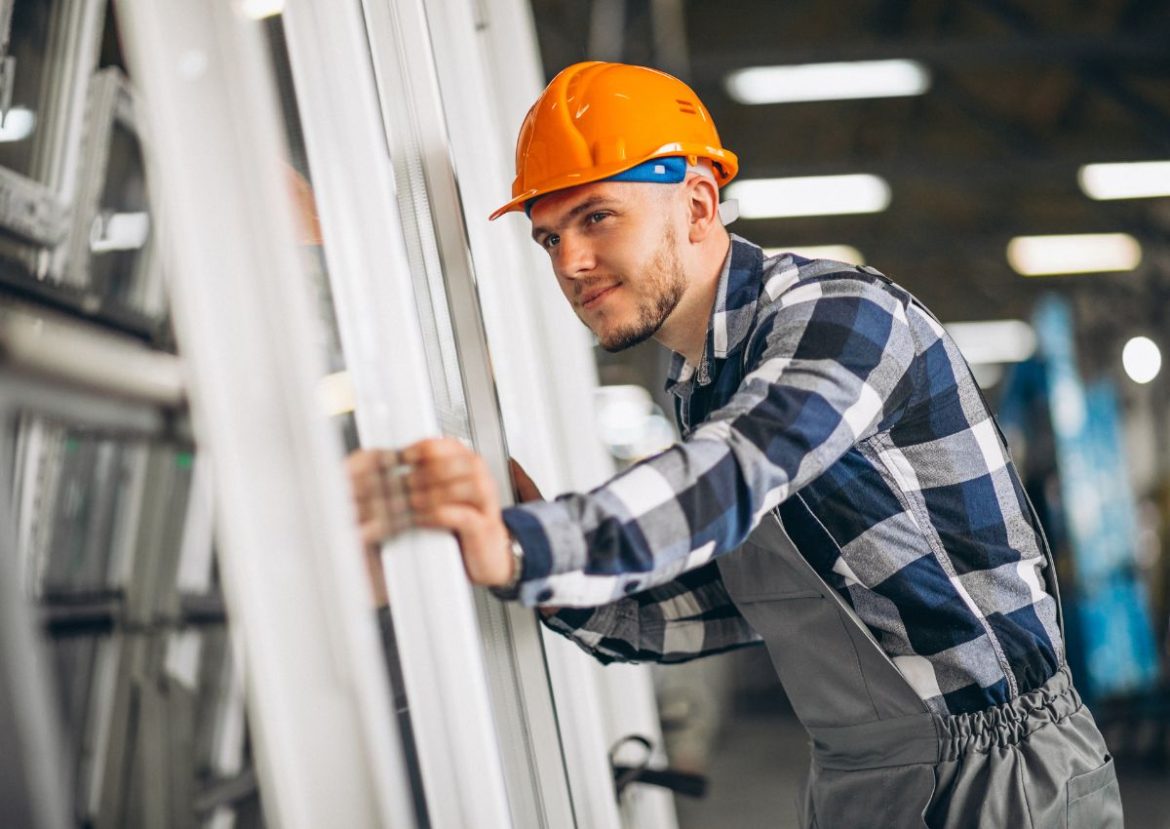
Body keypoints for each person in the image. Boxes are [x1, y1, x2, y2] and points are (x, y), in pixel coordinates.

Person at [348, 61, 1123, 828]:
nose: (570, 264)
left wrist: (528, 543)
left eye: (596, 217)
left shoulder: (838, 315)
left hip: (1005, 777)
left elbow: (740, 468)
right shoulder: (702, 385)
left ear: (696, 203)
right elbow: (736, 603)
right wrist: (529, 560)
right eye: (548, 237)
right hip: (863, 777)